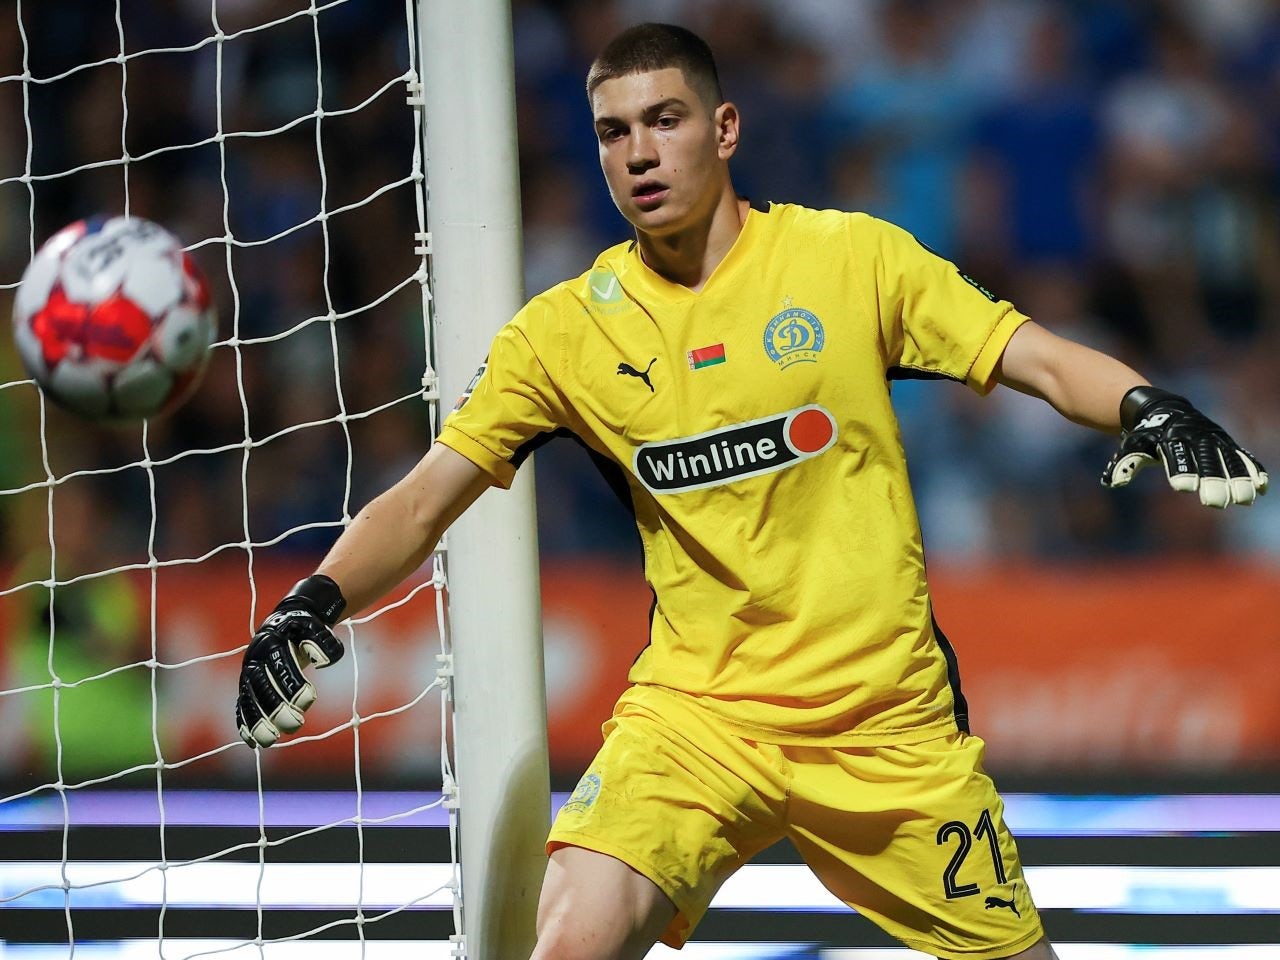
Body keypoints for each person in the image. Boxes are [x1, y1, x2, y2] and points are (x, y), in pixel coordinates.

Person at [234, 23, 1268, 960]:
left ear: (723, 128)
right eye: (610, 132)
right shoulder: (564, 332)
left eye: (663, 121)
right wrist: (311, 600)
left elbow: (1031, 357)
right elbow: (420, 501)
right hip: (698, 719)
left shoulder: (848, 259)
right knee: (568, 940)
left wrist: (1145, 405)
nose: (637, 152)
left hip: (883, 725)